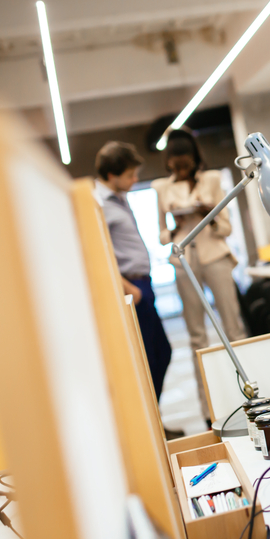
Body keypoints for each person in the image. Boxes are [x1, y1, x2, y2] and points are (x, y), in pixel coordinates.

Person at [152, 129, 247, 421]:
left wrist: (210, 213)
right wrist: (175, 224)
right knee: (197, 338)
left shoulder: (213, 179)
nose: (181, 169)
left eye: (185, 163)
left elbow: (226, 229)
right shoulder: (161, 187)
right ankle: (210, 411)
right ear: (168, 162)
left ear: (194, 159)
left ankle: (249, 396)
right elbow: (162, 236)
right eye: (175, 164)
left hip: (215, 256)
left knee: (234, 329)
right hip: (184, 261)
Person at [93, 141, 172, 400]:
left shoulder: (118, 200)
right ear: (111, 175)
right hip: (131, 287)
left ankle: (155, 421)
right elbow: (94, 253)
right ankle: (151, 426)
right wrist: (128, 289)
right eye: (130, 175)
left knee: (160, 353)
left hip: (142, 285)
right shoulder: (99, 205)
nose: (135, 179)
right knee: (150, 357)